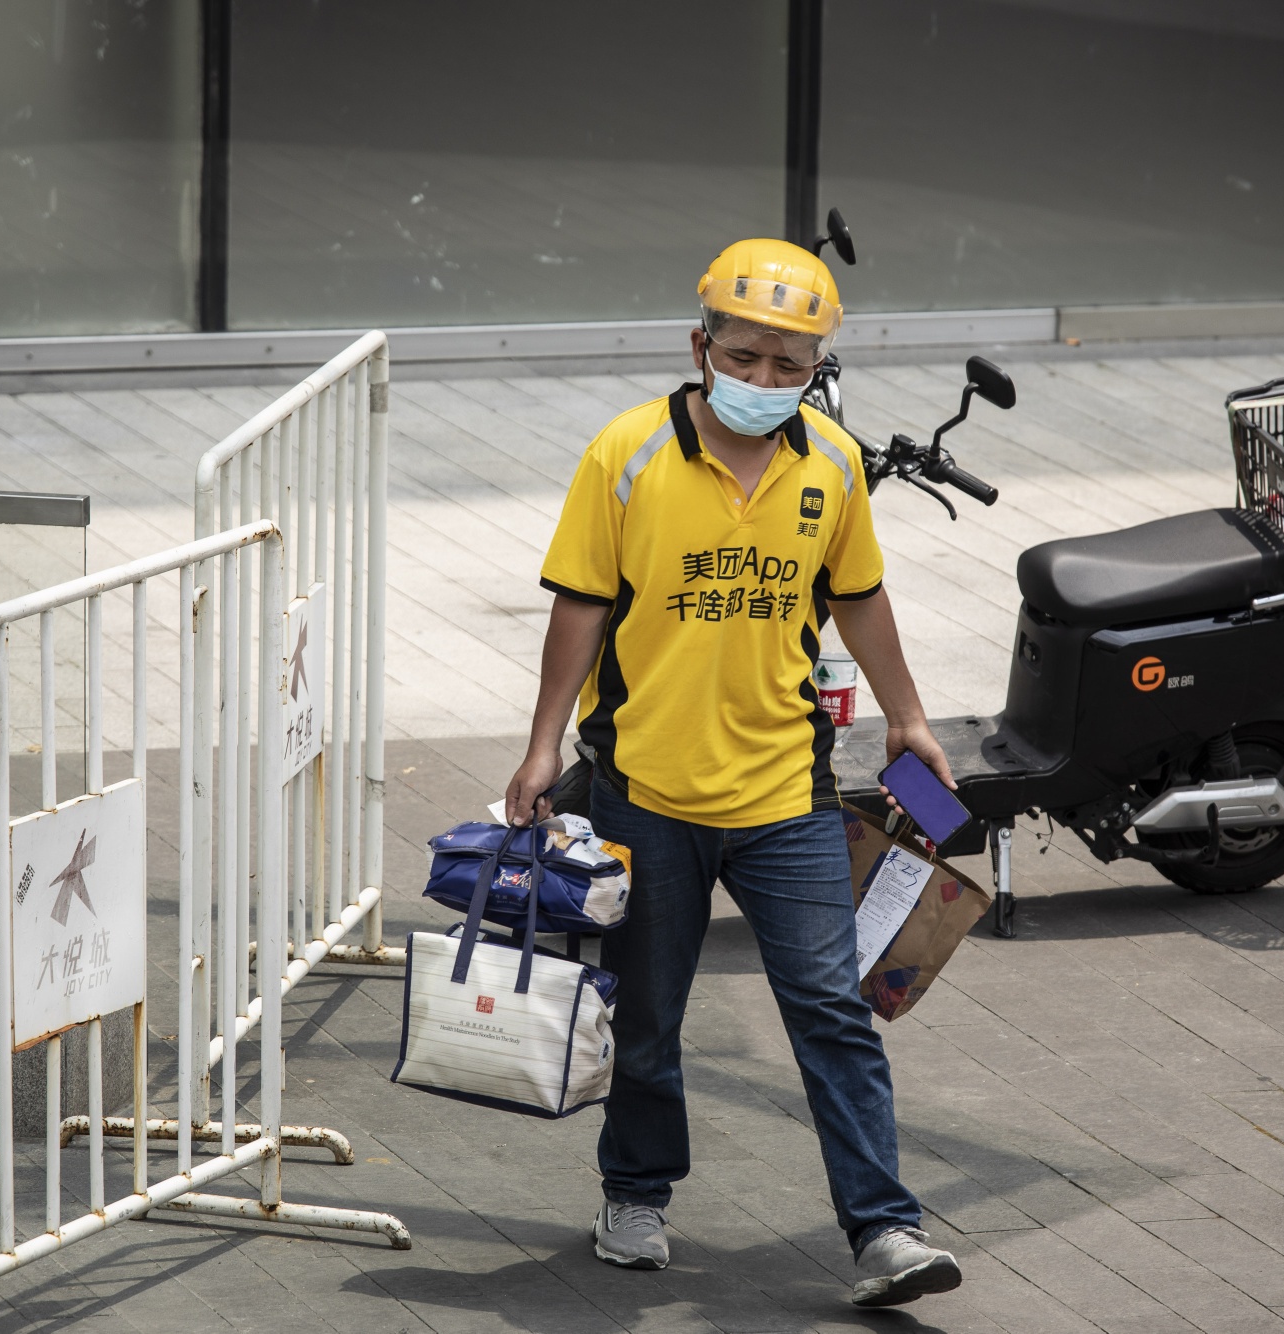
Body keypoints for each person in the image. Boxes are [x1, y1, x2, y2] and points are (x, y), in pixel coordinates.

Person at [504, 238, 963, 1308]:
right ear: (699, 344)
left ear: (816, 369)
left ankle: (885, 1229)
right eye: (743, 357)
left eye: (787, 367)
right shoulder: (626, 454)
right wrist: (540, 745)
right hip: (642, 789)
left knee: (829, 1005)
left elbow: (859, 595)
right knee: (651, 1011)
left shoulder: (833, 466)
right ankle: (634, 1191)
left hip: (783, 793)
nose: (761, 382)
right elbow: (579, 602)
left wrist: (907, 717)